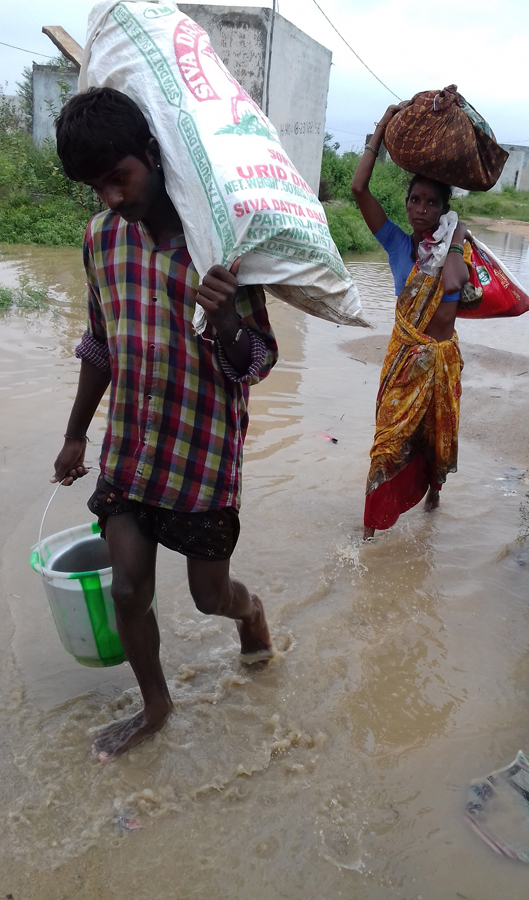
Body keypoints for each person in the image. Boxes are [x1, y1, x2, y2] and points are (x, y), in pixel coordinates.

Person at [51, 87, 278, 761]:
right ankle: (156, 706)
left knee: (211, 597)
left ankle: (253, 611)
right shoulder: (100, 239)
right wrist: (75, 432)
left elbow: (259, 361)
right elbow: (100, 344)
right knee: (127, 586)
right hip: (129, 452)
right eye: (97, 186)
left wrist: (231, 319)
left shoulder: (221, 243)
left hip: (200, 456)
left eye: (118, 177)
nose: (111, 197)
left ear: (151, 153)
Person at [352, 104, 472, 540]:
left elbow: (456, 280)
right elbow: (358, 187)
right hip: (404, 363)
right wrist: (381, 128)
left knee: (435, 442)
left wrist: (457, 238)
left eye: (430, 202)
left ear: (444, 209)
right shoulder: (398, 246)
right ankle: (370, 530)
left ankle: (434, 498)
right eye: (414, 200)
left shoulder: (456, 247)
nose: (420, 209)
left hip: (439, 364)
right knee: (386, 444)